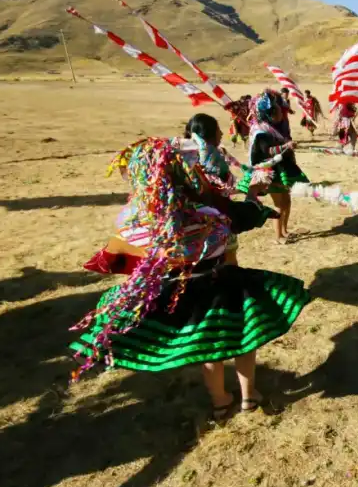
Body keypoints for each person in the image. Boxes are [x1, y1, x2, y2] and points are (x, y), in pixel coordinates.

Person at [70, 137, 311, 421]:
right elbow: (240, 223)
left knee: (209, 348)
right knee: (244, 339)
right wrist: (252, 192)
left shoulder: (133, 224)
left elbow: (115, 259)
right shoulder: (207, 214)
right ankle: (249, 395)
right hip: (223, 285)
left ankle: (221, 400)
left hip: (180, 293)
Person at [248, 89, 310, 244]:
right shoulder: (261, 132)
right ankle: (278, 236)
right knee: (279, 204)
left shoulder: (275, 128)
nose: (281, 113)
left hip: (282, 169)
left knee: (287, 201)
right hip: (271, 172)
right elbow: (267, 151)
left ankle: (284, 230)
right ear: (269, 114)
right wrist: (285, 147)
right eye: (276, 110)